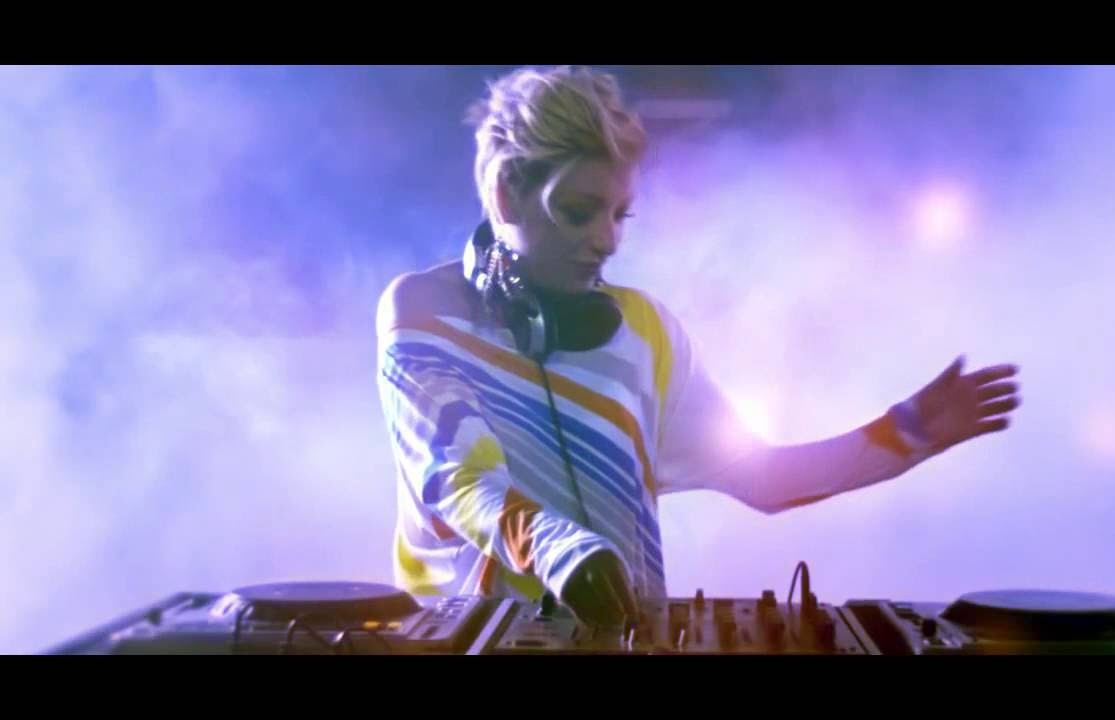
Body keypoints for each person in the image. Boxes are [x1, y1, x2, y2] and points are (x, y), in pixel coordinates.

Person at [375, 66, 1021, 628]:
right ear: (505, 195)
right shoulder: (423, 312)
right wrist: (555, 546)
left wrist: (904, 435)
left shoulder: (646, 332)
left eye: (620, 214)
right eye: (578, 210)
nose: (607, 240)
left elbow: (762, 478)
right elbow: (459, 478)